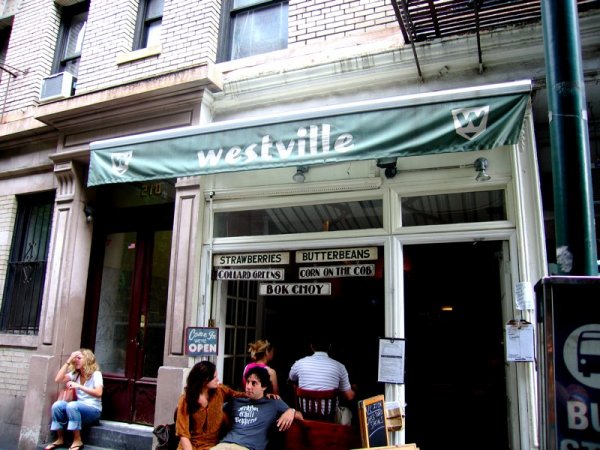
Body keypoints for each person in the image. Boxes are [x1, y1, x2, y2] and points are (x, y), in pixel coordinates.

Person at [210, 366, 296, 450]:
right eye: (247, 382)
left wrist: (291, 410)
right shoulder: (236, 401)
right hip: (225, 444)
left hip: (247, 447)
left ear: (264, 386)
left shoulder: (273, 403)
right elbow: (215, 410)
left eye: (254, 383)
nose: (248, 387)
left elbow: (299, 415)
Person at [176, 361, 247, 450]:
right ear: (204, 380)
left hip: (211, 446)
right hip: (190, 445)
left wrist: (262, 394)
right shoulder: (186, 399)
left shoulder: (220, 391)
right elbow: (183, 434)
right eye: (214, 377)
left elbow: (239, 395)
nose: (217, 379)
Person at [288, 335, 355, 425]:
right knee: (347, 412)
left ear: (311, 346)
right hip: (330, 419)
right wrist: (355, 389)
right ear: (329, 346)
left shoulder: (299, 363)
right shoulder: (340, 367)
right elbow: (349, 396)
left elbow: (291, 378)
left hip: (305, 416)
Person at [44, 349, 103, 450]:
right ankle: (60, 438)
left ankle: (77, 440)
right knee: (57, 405)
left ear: (87, 359)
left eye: (79, 358)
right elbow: (58, 379)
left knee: (72, 405)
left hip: (93, 411)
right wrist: (68, 361)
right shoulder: (76, 374)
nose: (76, 360)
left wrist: (79, 386)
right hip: (77, 409)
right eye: (75, 358)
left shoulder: (96, 374)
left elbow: (98, 393)